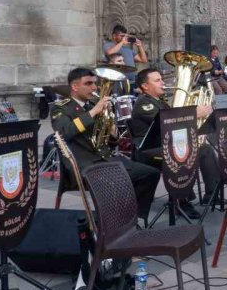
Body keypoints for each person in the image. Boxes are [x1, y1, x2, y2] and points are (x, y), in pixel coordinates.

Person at [52, 67, 160, 224]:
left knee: (150, 173)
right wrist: (94, 112)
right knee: (118, 182)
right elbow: (64, 132)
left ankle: (131, 218)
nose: (94, 88)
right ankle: (114, 224)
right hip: (83, 164)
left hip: (105, 159)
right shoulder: (61, 107)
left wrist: (112, 131)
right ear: (75, 87)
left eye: (95, 84)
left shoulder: (92, 105)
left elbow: (108, 142)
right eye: (88, 84)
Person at [128, 68, 217, 219]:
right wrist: (194, 114)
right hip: (149, 149)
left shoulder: (160, 102)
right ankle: (182, 202)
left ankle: (212, 193)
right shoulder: (144, 104)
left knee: (205, 149)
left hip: (166, 143)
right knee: (185, 153)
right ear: (145, 86)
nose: (163, 83)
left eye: (162, 79)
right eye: (157, 80)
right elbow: (167, 123)